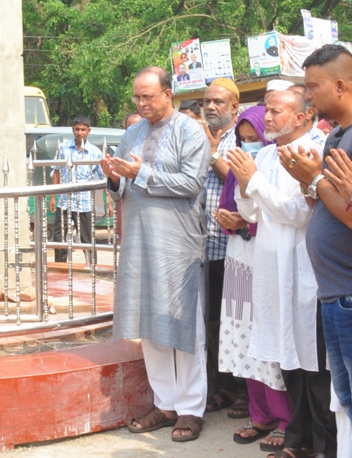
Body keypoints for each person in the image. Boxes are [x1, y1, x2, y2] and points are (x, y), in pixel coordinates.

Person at [102, 67, 210, 443]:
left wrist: (141, 172)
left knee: (184, 325)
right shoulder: (131, 132)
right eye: (137, 98)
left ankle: (192, 408)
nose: (141, 104)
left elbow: (192, 182)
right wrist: (115, 178)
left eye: (148, 96)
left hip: (177, 244)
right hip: (138, 240)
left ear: (168, 94)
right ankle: (165, 403)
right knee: (150, 323)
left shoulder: (189, 131)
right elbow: (120, 188)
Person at [229, 85, 335, 458]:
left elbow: (299, 213)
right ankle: (298, 439)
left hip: (304, 272)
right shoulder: (270, 154)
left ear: (301, 116)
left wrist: (254, 181)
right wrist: (246, 183)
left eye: (276, 111)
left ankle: (324, 446)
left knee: (315, 368)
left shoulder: (315, 151)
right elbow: (253, 213)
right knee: (287, 360)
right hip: (272, 271)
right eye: (267, 111)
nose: (268, 118)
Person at [277, 44, 352, 455]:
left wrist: (315, 181)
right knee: (344, 401)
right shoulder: (335, 135)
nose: (308, 96)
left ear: (342, 85)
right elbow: (325, 204)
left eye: (313, 86)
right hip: (331, 292)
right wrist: (305, 179)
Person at [214, 104, 295, 448]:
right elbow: (244, 204)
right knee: (244, 338)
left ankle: (285, 418)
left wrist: (245, 224)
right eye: (242, 139)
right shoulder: (242, 169)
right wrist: (236, 220)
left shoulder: (277, 163)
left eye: (253, 139)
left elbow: (280, 213)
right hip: (239, 258)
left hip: (265, 259)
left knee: (269, 341)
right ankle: (260, 414)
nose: (247, 146)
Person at [200, 76, 244, 413]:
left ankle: (241, 390)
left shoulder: (241, 138)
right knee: (213, 321)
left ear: (235, 107)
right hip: (202, 246)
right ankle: (223, 386)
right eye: (207, 102)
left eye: (219, 102)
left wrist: (212, 151)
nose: (211, 107)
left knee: (237, 320)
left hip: (234, 247)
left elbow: (235, 180)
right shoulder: (196, 136)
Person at [50, 117, 103, 263]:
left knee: (87, 239)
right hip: (64, 201)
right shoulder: (64, 148)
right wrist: (53, 197)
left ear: (88, 131)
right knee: (60, 238)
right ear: (73, 130)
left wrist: (109, 203)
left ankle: (91, 268)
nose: (80, 133)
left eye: (83, 130)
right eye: (77, 129)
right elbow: (56, 171)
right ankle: (59, 268)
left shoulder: (95, 152)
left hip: (84, 202)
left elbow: (105, 177)